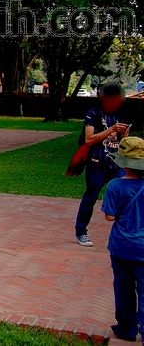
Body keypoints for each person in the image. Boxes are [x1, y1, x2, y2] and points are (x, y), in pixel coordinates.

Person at [76, 82, 130, 246]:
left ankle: (126, 233)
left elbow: (124, 141)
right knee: (91, 196)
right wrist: (111, 129)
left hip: (116, 164)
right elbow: (89, 139)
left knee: (126, 195)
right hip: (97, 162)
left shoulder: (121, 114)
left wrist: (124, 133)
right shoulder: (94, 113)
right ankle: (81, 231)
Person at [102, 137, 144, 342]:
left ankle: (127, 328)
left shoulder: (115, 186)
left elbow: (110, 216)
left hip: (122, 247)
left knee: (124, 289)